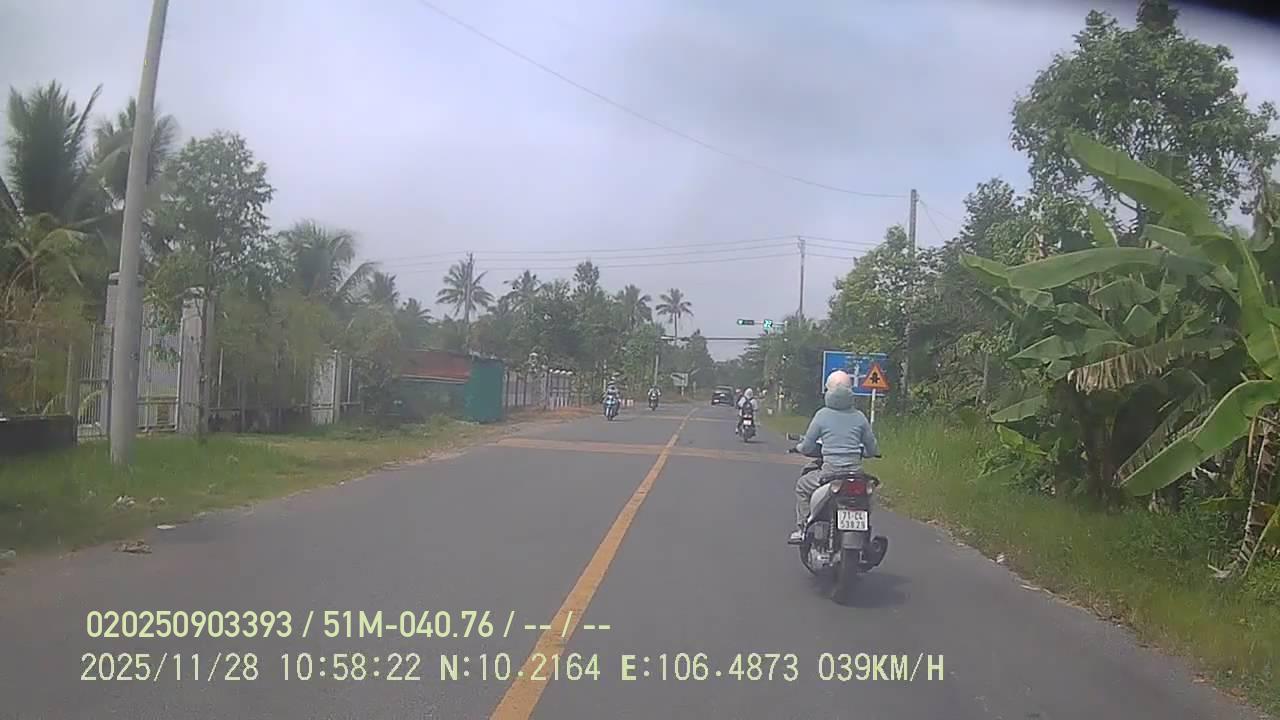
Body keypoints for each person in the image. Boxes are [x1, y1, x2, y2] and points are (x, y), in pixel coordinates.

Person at [788, 370, 879, 544]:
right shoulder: (859, 417)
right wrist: (867, 453)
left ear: (828, 391)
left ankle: (803, 528)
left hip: (829, 473)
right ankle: (864, 532)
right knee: (868, 498)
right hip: (855, 474)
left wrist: (799, 448)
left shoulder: (822, 415)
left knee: (802, 486)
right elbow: (872, 447)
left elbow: (807, 446)